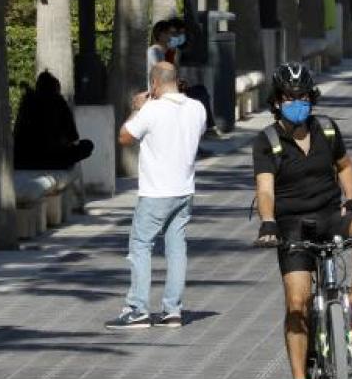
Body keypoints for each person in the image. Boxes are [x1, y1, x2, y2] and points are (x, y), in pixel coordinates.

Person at [253, 63, 352, 379]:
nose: (296, 102)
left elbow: (344, 165)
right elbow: (265, 190)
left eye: (302, 96)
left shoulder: (327, 130)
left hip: (331, 215)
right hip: (291, 226)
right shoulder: (267, 140)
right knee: (297, 303)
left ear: (311, 98)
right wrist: (268, 222)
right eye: (289, 97)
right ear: (277, 101)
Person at [105, 62, 207, 331]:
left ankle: (137, 308)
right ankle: (172, 310)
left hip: (155, 192)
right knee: (177, 249)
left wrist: (136, 108)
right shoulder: (197, 108)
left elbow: (124, 137)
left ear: (154, 83)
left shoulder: (151, 109)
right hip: (184, 190)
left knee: (140, 247)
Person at [12, 70, 95, 170]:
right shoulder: (59, 102)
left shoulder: (27, 102)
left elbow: (17, 133)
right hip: (52, 159)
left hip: (23, 160)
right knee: (88, 145)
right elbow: (72, 136)